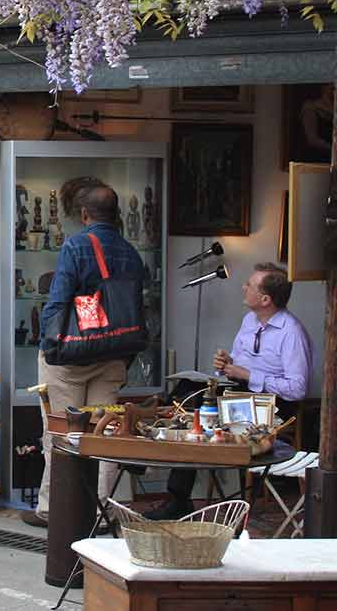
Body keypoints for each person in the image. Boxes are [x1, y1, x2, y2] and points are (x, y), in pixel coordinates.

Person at [146, 262, 312, 520]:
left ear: (266, 299)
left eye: (250, 285)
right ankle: (155, 443)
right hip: (239, 391)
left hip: (272, 403)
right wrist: (226, 364)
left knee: (194, 408)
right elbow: (236, 363)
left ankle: (172, 489)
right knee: (187, 390)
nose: (243, 287)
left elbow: (297, 389)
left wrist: (247, 374)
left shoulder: (291, 333)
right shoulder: (249, 321)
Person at [22, 185, 146, 529]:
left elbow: (59, 299)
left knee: (61, 433)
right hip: (113, 355)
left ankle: (54, 509)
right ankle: (100, 512)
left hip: (71, 356)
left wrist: (49, 343)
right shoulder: (131, 252)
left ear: (84, 215)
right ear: (117, 214)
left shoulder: (77, 245)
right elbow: (136, 307)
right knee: (104, 434)